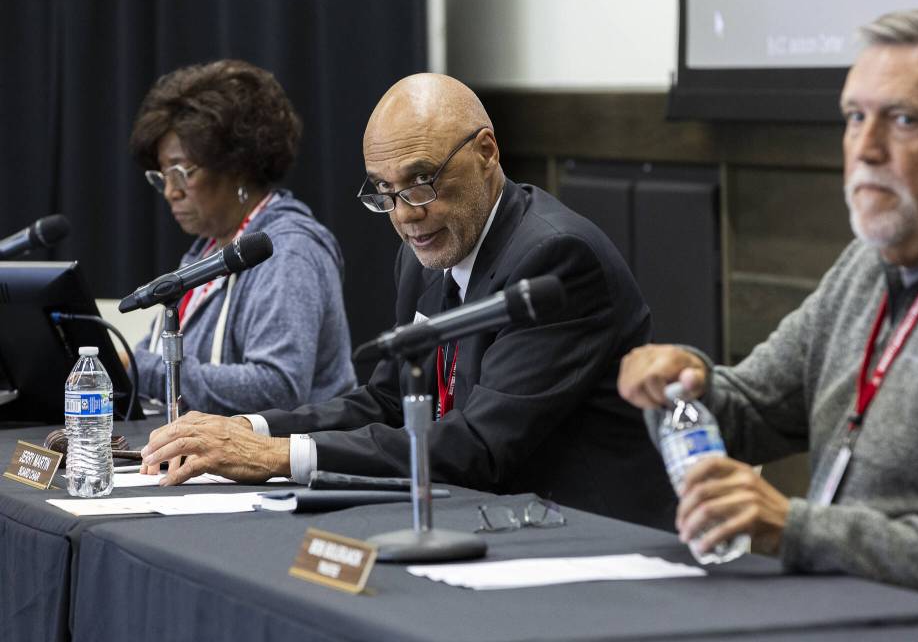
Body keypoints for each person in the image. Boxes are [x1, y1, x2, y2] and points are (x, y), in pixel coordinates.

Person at [618, 5, 918, 613]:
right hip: (843, 607)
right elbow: (750, 409)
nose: (865, 148)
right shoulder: (869, 263)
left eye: (904, 120)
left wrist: (798, 529)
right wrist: (677, 384)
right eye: (854, 117)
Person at [140, 73, 676, 530]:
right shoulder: (425, 252)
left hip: (585, 533)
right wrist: (252, 429)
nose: (404, 214)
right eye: (384, 191)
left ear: (487, 152)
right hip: (485, 518)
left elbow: (480, 446)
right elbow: (387, 402)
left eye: (421, 181)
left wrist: (278, 457)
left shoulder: (556, 257)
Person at [129, 59, 356, 416]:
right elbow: (150, 358)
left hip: (288, 466)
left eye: (180, 172)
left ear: (237, 165)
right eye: (161, 176)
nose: (170, 191)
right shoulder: (206, 249)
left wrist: (136, 369)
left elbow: (276, 386)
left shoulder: (288, 251)